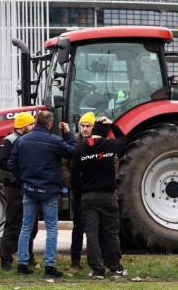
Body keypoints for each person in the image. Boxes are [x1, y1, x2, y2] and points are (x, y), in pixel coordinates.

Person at [8, 110, 77, 277]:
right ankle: (50, 267)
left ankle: (22, 265)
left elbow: (12, 164)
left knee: (25, 227)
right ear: (49, 124)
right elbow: (74, 151)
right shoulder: (54, 140)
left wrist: (22, 180)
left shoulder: (22, 141)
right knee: (52, 228)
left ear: (36, 121)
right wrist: (68, 133)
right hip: (49, 191)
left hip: (29, 190)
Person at [70, 117, 127, 279]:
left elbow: (74, 178)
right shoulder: (109, 145)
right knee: (111, 233)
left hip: (88, 197)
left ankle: (97, 270)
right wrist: (113, 125)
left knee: (91, 234)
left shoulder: (80, 149)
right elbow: (123, 139)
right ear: (104, 132)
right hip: (108, 196)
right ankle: (115, 268)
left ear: (93, 131)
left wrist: (83, 189)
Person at [0, 112, 37, 271]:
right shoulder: (9, 141)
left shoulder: (25, 140)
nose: (33, 127)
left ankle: (28, 257)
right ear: (24, 126)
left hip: (27, 187)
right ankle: (6, 261)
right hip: (14, 189)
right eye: (31, 124)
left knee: (31, 226)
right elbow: (1, 163)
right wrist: (18, 178)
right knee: (13, 224)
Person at [61, 111, 95, 271]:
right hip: (78, 191)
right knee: (78, 226)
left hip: (95, 190)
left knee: (95, 226)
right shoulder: (74, 142)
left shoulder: (101, 142)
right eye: (83, 126)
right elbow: (64, 165)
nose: (85, 129)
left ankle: (95, 259)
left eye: (88, 126)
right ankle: (75, 259)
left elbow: (113, 163)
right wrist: (71, 183)